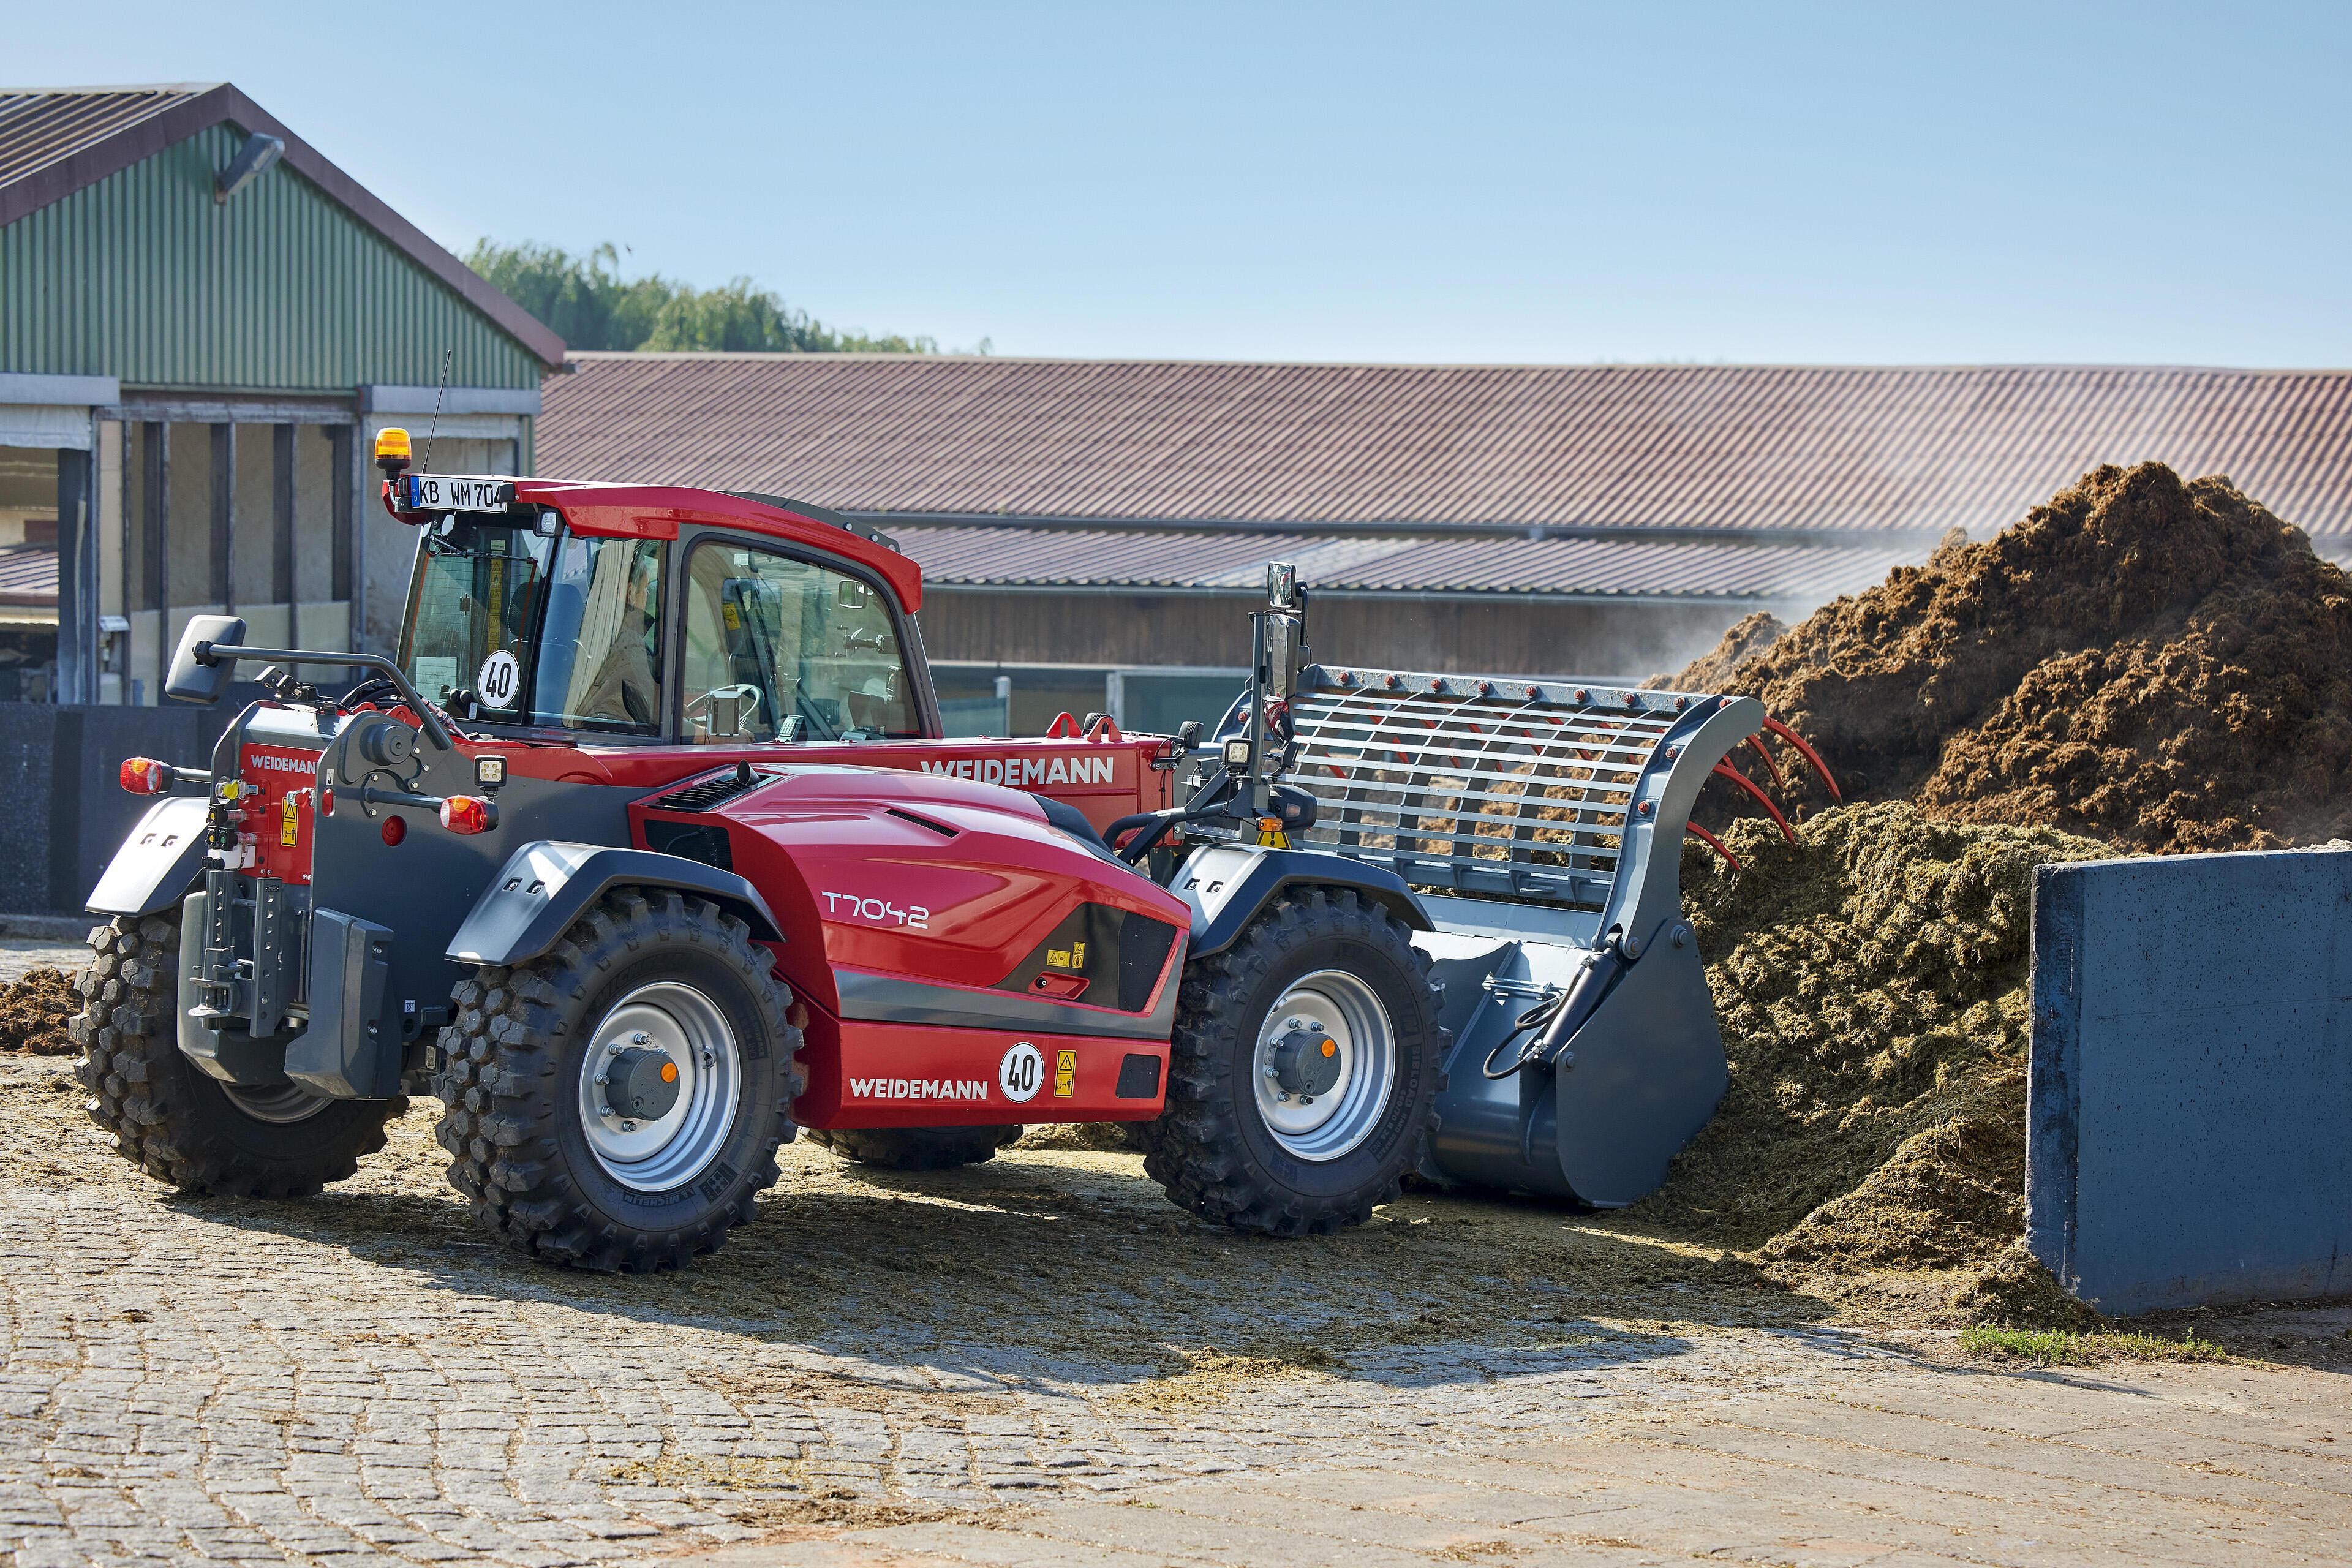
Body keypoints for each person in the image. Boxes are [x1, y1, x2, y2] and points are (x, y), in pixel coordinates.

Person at [579, 549, 662, 728]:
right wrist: (702, 734)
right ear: (630, 593)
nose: (647, 596)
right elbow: (658, 719)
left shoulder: (581, 633)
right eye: (646, 589)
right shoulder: (629, 645)